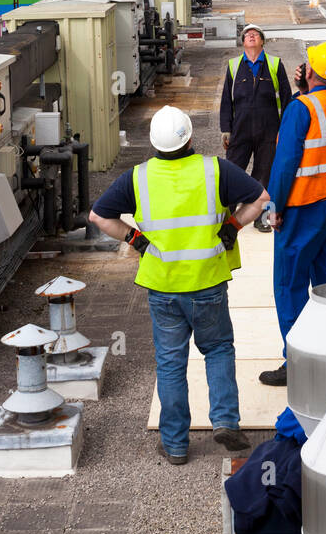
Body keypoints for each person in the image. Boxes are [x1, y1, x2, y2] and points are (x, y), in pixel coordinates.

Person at [88, 105, 269, 464]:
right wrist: (232, 226)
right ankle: (224, 420)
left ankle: (174, 444)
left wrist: (136, 239)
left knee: (170, 363)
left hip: (164, 287)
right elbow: (260, 199)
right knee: (217, 349)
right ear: (189, 137)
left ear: (154, 142)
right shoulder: (214, 169)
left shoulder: (136, 178)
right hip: (208, 283)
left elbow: (98, 216)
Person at [259, 42, 326, 387]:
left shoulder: (300, 109)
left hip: (303, 205)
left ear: (309, 70)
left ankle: (298, 362)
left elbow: (285, 164)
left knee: (290, 283)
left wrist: (274, 208)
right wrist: (308, 88)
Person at [220, 22, 293, 197]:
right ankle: (227, 217)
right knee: (231, 174)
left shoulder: (275, 65)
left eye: (256, 34)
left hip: (268, 131)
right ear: (243, 42)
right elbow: (226, 101)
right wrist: (226, 129)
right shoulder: (234, 66)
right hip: (240, 130)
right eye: (247, 34)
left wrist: (284, 131)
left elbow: (286, 99)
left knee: (264, 176)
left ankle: (261, 219)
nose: (251, 36)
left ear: (262, 41)